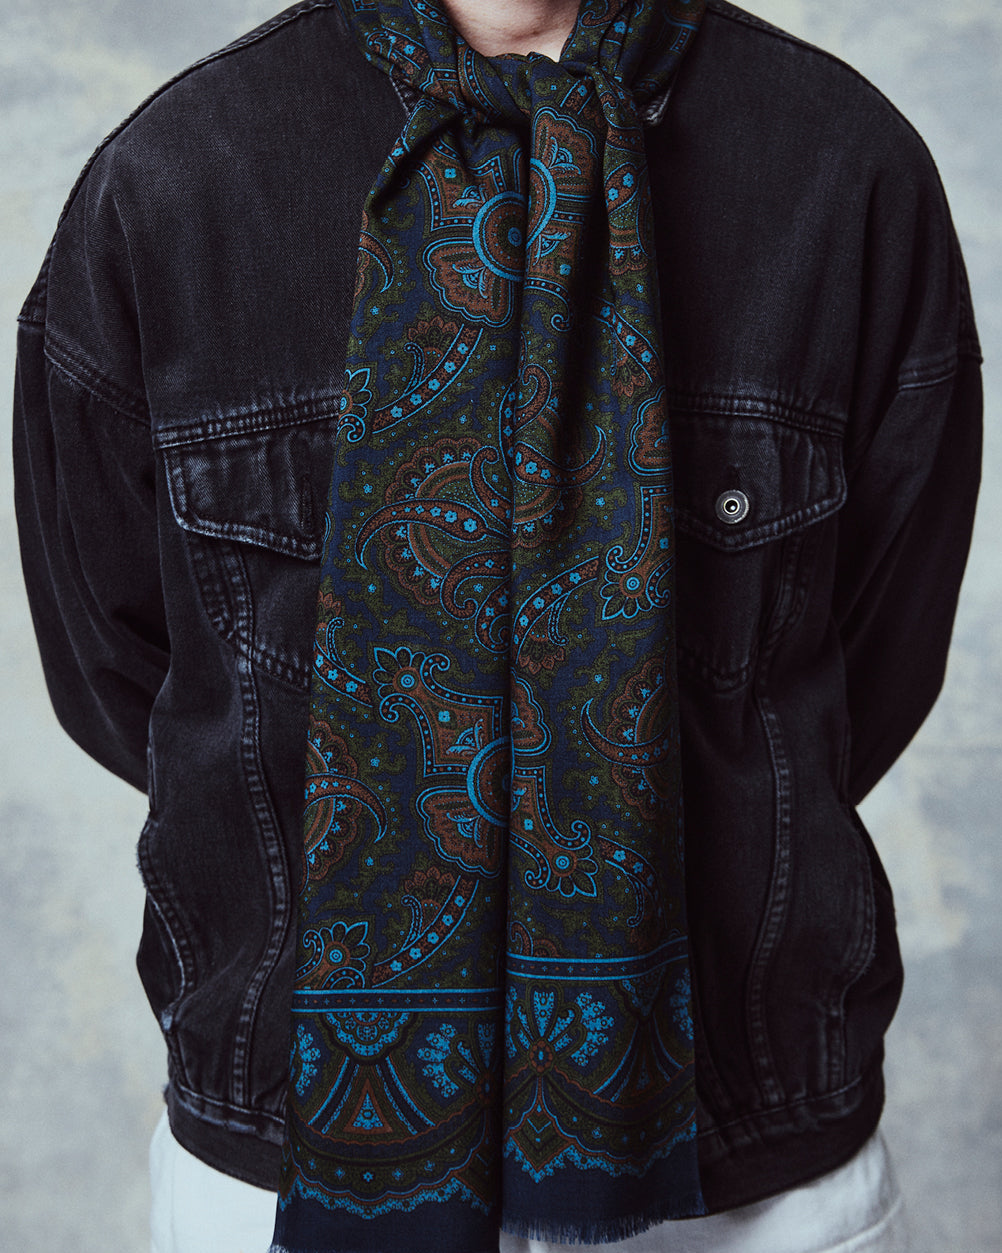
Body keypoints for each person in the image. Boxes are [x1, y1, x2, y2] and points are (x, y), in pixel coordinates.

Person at [12, 0, 981, 1250]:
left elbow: (878, 653)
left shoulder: (842, 168)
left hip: (752, 1176)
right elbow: (117, 668)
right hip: (281, 1163)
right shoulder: (173, 180)